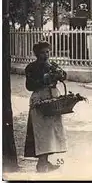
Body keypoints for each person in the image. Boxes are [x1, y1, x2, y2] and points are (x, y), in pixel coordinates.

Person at [24, 41, 68, 173]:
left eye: (48, 52)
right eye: (43, 52)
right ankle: (41, 163)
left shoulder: (52, 65)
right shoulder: (31, 67)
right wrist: (44, 79)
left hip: (52, 98)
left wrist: (59, 74)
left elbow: (64, 75)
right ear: (36, 54)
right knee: (41, 132)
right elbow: (29, 86)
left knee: (51, 132)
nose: (46, 54)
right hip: (40, 98)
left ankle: (44, 162)